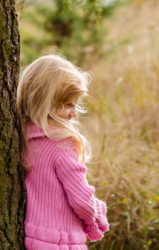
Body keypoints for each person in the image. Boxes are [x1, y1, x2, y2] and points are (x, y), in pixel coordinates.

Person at [17, 54, 109, 250]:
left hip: (33, 238)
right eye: (69, 105)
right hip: (62, 242)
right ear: (46, 101)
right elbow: (82, 201)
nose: (74, 113)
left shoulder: (23, 136)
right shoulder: (62, 144)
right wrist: (97, 212)